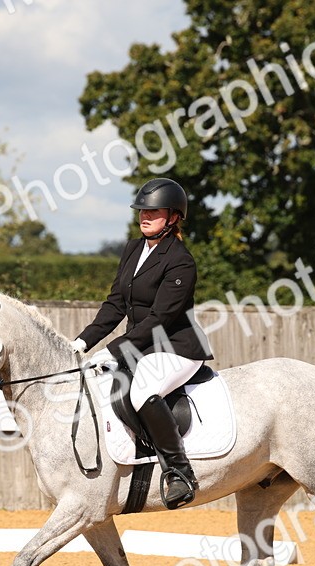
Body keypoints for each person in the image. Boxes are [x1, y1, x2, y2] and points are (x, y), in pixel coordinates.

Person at [71, 177, 212, 509]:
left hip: (176, 347)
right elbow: (115, 305)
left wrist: (113, 349)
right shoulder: (133, 249)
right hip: (142, 345)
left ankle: (180, 473)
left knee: (142, 392)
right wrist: (82, 341)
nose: (145, 216)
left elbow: (160, 318)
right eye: (142, 211)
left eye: (154, 212)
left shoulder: (180, 260)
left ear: (173, 217)